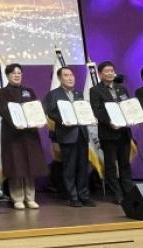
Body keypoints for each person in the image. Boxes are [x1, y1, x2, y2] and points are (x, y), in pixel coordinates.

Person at [0, 63, 48, 210]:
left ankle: (30, 198)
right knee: (16, 165)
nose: (17, 75)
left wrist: (38, 119)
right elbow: (3, 111)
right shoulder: (3, 92)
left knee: (30, 164)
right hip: (13, 134)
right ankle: (17, 198)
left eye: (19, 73)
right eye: (14, 73)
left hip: (29, 133)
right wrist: (16, 122)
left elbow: (35, 109)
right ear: (8, 76)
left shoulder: (29, 91)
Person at [43, 66, 95, 208]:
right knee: (69, 168)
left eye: (71, 75)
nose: (70, 78)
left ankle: (84, 195)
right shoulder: (54, 94)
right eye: (66, 75)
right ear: (60, 78)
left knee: (83, 167)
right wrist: (65, 118)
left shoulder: (79, 94)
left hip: (82, 134)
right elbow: (50, 112)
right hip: (67, 134)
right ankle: (73, 196)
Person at [89, 61, 134, 204]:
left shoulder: (122, 88)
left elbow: (128, 106)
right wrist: (110, 123)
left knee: (125, 164)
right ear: (100, 74)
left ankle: (129, 192)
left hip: (124, 132)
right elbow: (97, 111)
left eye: (112, 71)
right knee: (110, 165)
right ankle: (117, 194)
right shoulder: (95, 90)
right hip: (108, 133)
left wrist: (132, 118)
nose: (110, 73)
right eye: (106, 71)